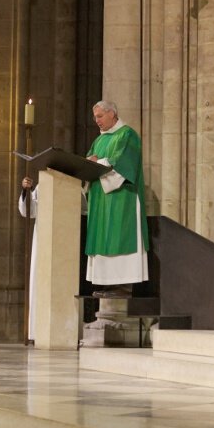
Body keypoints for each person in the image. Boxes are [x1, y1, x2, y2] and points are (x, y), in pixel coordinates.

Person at [85, 100, 149, 297]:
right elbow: (89, 163)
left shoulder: (127, 135)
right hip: (100, 201)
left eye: (100, 116)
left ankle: (123, 286)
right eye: (95, 117)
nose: (97, 121)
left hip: (122, 199)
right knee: (103, 237)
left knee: (120, 235)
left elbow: (123, 163)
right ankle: (108, 284)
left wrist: (99, 162)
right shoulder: (99, 140)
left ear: (113, 114)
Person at [18, 176, 39, 338]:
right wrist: (26, 191)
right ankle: (37, 331)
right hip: (43, 240)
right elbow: (29, 211)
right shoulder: (43, 187)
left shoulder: (74, 185)